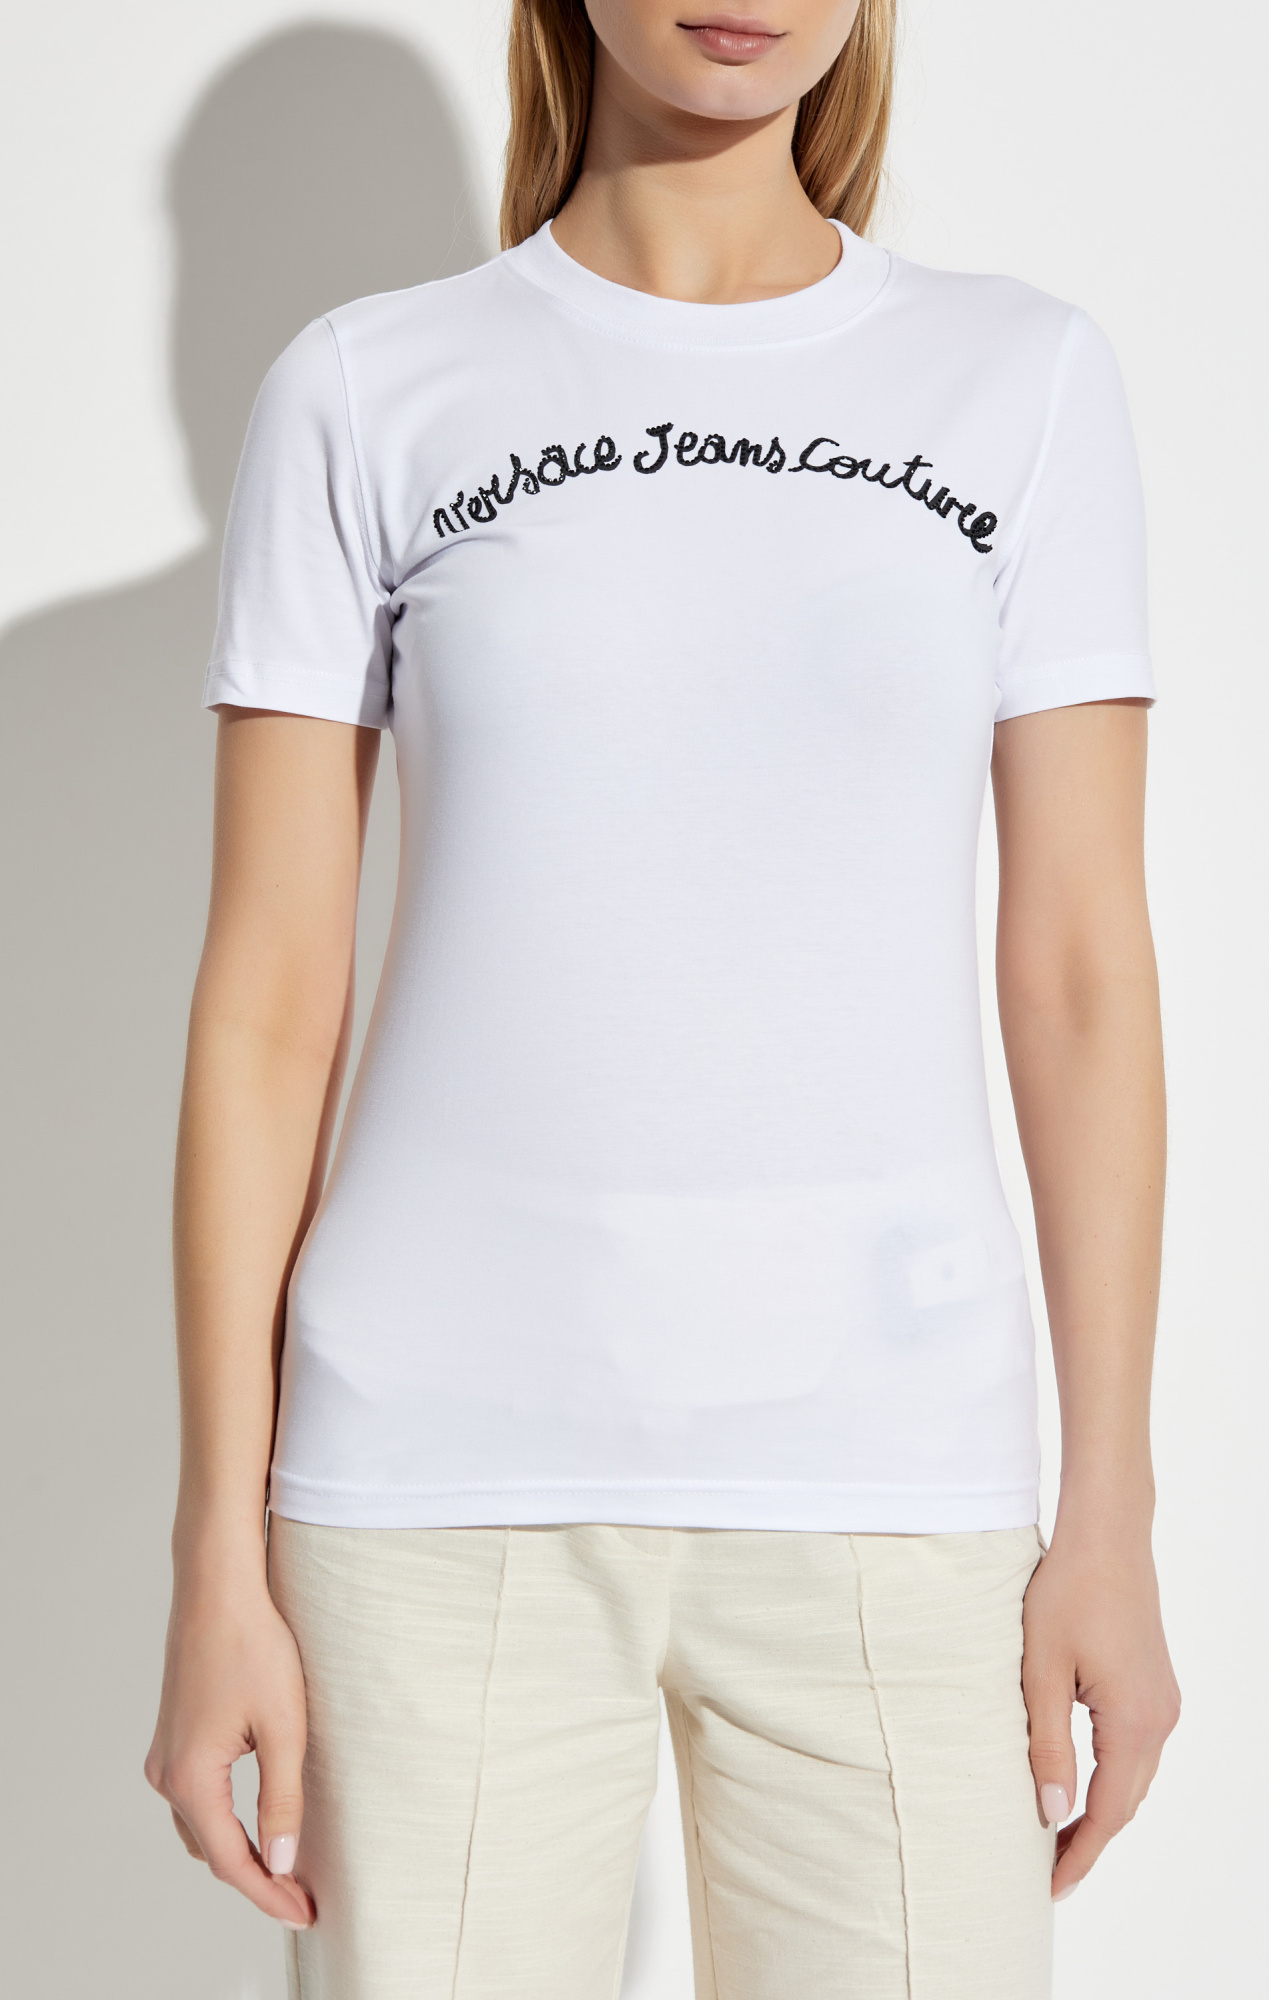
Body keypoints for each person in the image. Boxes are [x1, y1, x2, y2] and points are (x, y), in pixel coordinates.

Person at [145, 3, 1180, 1994]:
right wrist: (215, 1552)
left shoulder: (1021, 379)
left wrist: (1110, 1517)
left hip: (892, 1477)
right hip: (431, 1486)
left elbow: (1076, 973)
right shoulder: (369, 387)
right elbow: (267, 998)